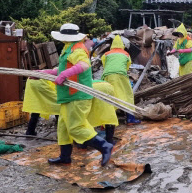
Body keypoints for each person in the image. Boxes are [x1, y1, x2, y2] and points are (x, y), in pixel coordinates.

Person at [41, 23, 114, 166]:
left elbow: (84, 65)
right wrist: (44, 73)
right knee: (63, 128)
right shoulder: (67, 48)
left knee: (76, 127)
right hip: (67, 96)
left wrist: (64, 74)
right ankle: (65, 157)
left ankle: (104, 146)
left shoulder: (78, 48)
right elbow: (63, 68)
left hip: (78, 95)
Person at [101, 35, 139, 126]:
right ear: (122, 45)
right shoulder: (126, 54)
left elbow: (104, 65)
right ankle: (130, 119)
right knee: (127, 95)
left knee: (109, 96)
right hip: (121, 75)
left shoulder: (106, 54)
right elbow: (127, 66)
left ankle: (107, 123)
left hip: (107, 75)